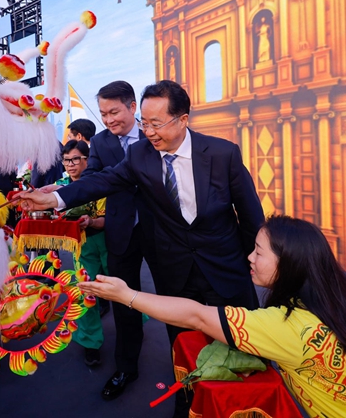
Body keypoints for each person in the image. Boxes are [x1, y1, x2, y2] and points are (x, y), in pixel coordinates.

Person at [20, 80, 264, 410]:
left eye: (156, 123)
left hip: (225, 269)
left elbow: (251, 217)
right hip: (175, 273)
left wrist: (256, 263)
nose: (148, 131)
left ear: (183, 119)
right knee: (185, 349)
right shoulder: (138, 154)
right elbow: (102, 181)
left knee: (241, 348)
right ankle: (189, 405)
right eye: (145, 123)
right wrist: (53, 198)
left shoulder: (223, 154)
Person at [79, 215, 346, 418]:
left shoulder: (289, 329)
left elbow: (197, 317)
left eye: (258, 252)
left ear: (289, 265)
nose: (249, 258)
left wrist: (126, 295)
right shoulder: (344, 305)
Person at [42, 81, 157, 401]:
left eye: (114, 112)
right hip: (120, 234)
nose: (107, 120)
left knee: (178, 296)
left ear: (133, 107)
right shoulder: (103, 144)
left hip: (161, 232)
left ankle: (185, 364)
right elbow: (92, 180)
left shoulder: (154, 135)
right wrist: (59, 194)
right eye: (103, 113)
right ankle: (127, 368)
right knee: (124, 303)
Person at [55, 139, 108, 367]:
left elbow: (110, 218)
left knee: (124, 290)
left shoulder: (101, 182)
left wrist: (92, 221)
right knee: (85, 293)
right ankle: (90, 343)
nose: (70, 164)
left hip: (109, 242)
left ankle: (134, 326)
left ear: (87, 160)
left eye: (75, 159)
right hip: (82, 246)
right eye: (66, 160)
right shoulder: (60, 186)